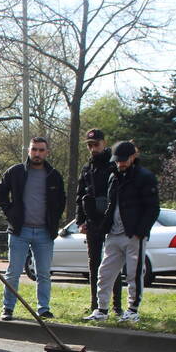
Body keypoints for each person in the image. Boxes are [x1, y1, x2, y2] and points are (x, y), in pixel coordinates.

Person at [84, 141, 160, 323]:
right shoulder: (114, 177)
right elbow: (112, 205)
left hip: (133, 234)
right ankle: (101, 309)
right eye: (118, 161)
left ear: (133, 157)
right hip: (114, 233)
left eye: (124, 160)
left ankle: (132, 310)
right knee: (105, 272)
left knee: (134, 273)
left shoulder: (145, 177)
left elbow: (152, 208)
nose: (120, 164)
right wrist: (104, 227)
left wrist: (140, 231)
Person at [0, 136, 66, 320]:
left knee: (43, 274)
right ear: (28, 151)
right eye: (34, 149)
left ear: (47, 152)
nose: (37, 153)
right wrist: (10, 213)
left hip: (44, 233)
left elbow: (61, 201)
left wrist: (53, 220)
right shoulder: (16, 172)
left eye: (41, 150)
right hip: (20, 231)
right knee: (13, 272)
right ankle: (8, 308)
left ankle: (43, 309)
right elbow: (0, 192)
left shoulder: (54, 175)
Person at [74, 129, 124, 317]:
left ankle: (117, 306)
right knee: (94, 264)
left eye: (96, 144)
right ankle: (95, 304)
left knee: (113, 264)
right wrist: (81, 220)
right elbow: (80, 195)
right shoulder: (87, 168)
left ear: (104, 143)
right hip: (93, 220)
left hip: (112, 221)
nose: (93, 148)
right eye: (89, 145)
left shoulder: (114, 165)